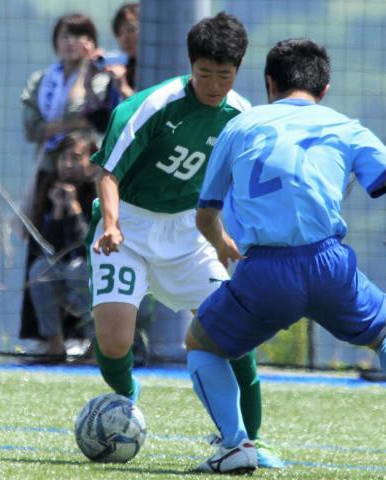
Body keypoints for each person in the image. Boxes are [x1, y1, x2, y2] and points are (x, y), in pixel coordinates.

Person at [184, 39, 386, 474]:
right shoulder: (344, 126)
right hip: (328, 263)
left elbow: (206, 213)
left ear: (270, 83)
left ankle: (234, 444)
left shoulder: (240, 126)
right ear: (324, 90)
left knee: (200, 345)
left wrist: (224, 245)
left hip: (264, 269)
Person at [88, 12, 283, 468]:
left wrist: (234, 236)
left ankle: (245, 441)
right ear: (190, 65)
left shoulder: (243, 117)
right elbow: (108, 173)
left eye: (224, 74)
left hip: (189, 232)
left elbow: (251, 184)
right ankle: (126, 406)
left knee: (234, 334)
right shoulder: (152, 105)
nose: (213, 85)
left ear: (238, 70)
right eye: (204, 74)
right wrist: (112, 223)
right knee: (115, 341)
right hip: (129, 229)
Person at [21, 132, 98, 363]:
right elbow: (45, 250)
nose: (67, 165)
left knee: (78, 269)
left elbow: (87, 247)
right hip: (64, 277)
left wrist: (74, 211)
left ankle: (98, 345)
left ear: (91, 163)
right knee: (40, 270)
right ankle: (55, 344)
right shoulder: (50, 194)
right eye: (63, 158)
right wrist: (56, 212)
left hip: (95, 276)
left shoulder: (99, 194)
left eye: (76, 158)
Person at [21, 13, 114, 175]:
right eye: (64, 36)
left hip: (86, 169)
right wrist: (74, 124)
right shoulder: (41, 81)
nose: (70, 41)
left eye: (78, 35)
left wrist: (85, 70)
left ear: (90, 42)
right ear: (55, 41)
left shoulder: (101, 80)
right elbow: (32, 130)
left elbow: (83, 111)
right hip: (48, 165)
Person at [106, 2, 139, 100]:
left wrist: (123, 88)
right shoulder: (121, 69)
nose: (125, 38)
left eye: (131, 30)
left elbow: (151, 111)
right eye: (119, 33)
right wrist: (88, 85)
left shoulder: (157, 69)